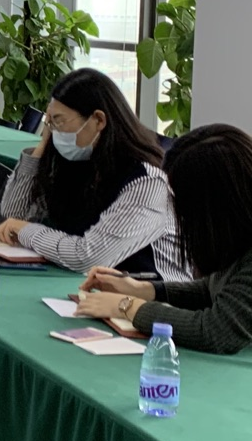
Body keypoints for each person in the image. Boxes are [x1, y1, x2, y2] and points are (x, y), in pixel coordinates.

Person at [0, 68, 186, 279]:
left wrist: (26, 231)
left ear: (99, 120)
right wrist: (42, 145)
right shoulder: (76, 163)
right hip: (89, 288)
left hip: (148, 294)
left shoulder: (147, 182)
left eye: (59, 121)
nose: (54, 131)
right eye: (50, 123)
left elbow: (88, 257)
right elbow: (15, 214)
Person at [75, 124, 252, 353]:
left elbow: (214, 331)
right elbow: (212, 290)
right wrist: (143, 290)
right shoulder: (240, 237)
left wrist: (127, 306)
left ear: (212, 207)